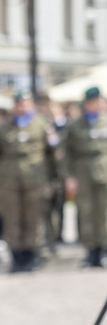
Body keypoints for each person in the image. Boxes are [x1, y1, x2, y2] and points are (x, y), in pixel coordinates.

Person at [64, 87, 107, 268]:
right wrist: (69, 176)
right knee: (86, 215)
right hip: (83, 175)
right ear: (87, 103)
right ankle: (91, 252)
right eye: (96, 101)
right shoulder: (74, 125)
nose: (99, 104)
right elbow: (66, 153)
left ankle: (106, 250)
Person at [1, 92, 55, 272]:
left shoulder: (42, 125)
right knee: (12, 218)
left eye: (25, 103)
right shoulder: (5, 127)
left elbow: (52, 155)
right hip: (9, 182)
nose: (22, 107)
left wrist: (53, 180)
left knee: (34, 217)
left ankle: (33, 254)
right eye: (19, 103)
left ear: (31, 104)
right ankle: (17, 256)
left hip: (35, 179)